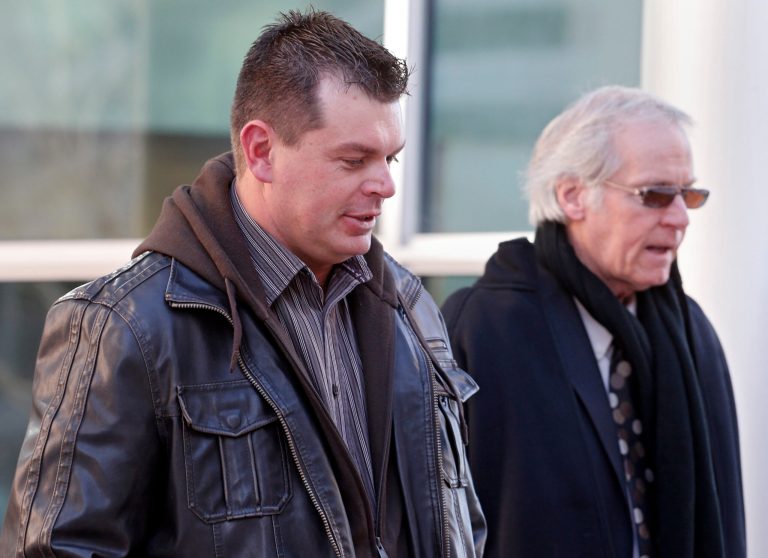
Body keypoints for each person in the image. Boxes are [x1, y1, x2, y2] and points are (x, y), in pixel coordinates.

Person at [0, 10, 485, 557]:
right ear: (260, 151)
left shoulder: (412, 308)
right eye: (354, 160)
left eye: (391, 158)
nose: (387, 186)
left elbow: (462, 525)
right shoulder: (125, 325)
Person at [442, 86, 745, 558]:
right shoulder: (483, 329)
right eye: (656, 195)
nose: (681, 217)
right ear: (572, 196)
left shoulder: (691, 332)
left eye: (689, 194)